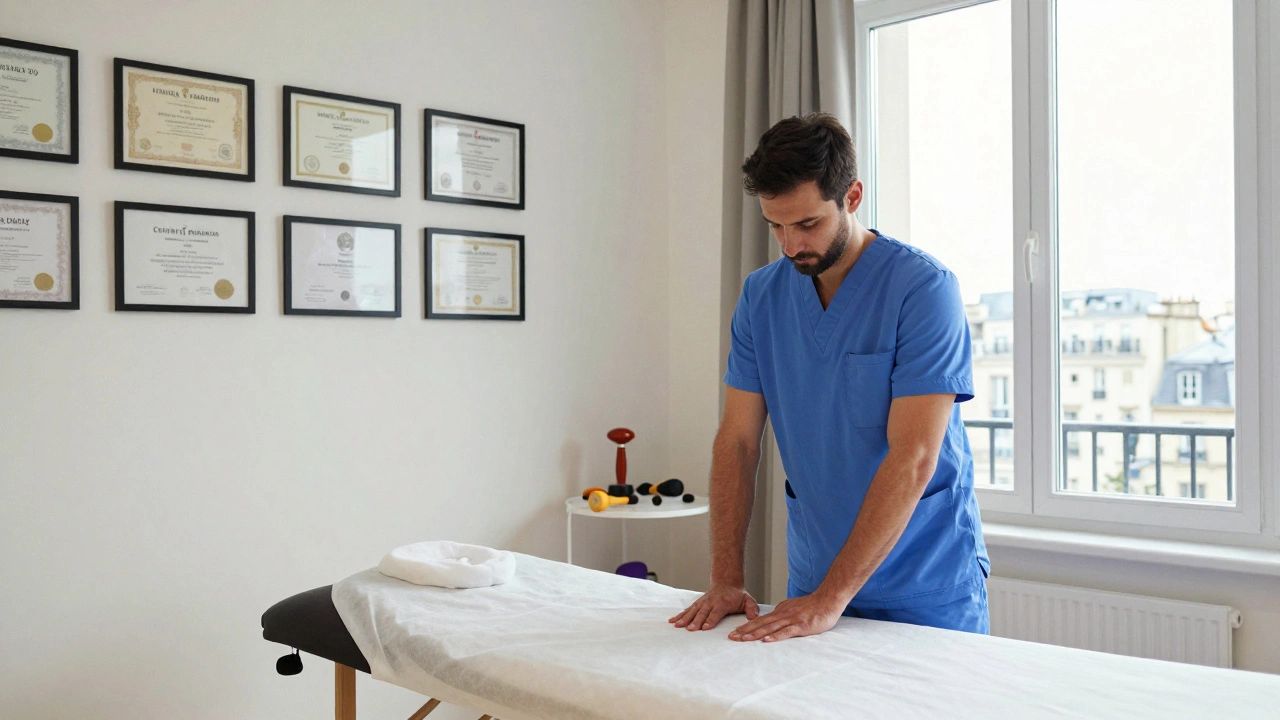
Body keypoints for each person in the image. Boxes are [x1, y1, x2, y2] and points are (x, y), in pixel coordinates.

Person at [669, 112, 989, 642]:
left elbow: (913, 458)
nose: (791, 246)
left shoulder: (923, 289)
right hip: (814, 583)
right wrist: (727, 579)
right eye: (776, 225)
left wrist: (831, 601)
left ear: (853, 196)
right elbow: (739, 441)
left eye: (808, 224)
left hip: (924, 583)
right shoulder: (761, 296)